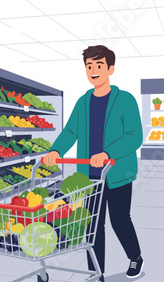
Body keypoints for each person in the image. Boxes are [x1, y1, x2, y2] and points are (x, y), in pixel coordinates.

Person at [43, 45, 144, 281]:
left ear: (110, 69)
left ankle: (136, 257)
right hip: (88, 177)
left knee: (119, 220)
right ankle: (96, 273)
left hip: (117, 173)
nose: (93, 70)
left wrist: (108, 152)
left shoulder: (125, 100)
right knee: (92, 226)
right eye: (89, 66)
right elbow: (70, 131)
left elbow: (134, 135)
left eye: (99, 65)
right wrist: (55, 149)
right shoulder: (83, 102)